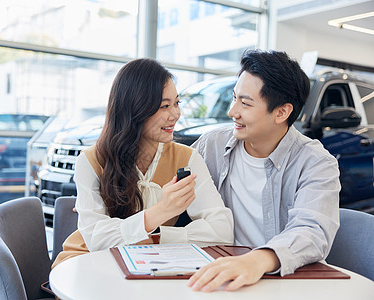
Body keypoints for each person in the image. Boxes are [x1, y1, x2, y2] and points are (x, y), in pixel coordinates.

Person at [53, 58, 234, 267]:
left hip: (147, 265)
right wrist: (161, 211)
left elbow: (222, 230)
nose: (175, 114)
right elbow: (97, 240)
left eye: (177, 103)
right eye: (165, 106)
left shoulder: (187, 159)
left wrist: (157, 236)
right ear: (134, 110)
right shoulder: (91, 161)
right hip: (87, 263)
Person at [187, 49, 341, 292]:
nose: (232, 111)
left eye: (245, 103)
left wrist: (256, 261)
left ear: (281, 112)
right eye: (234, 98)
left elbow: (312, 231)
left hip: (284, 281)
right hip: (226, 275)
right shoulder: (212, 144)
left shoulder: (316, 162)